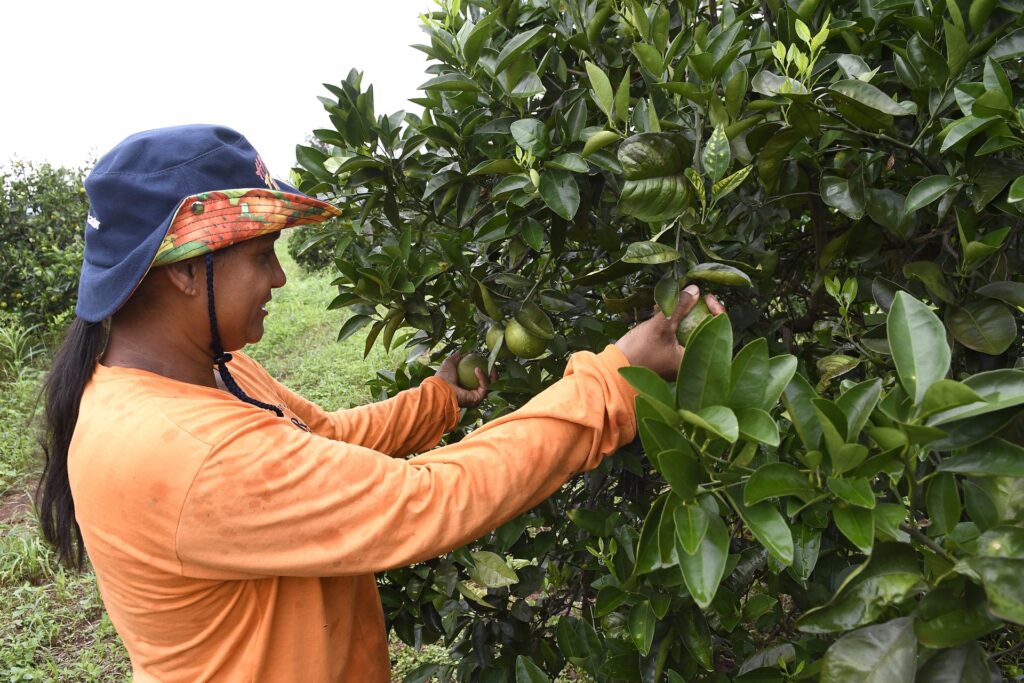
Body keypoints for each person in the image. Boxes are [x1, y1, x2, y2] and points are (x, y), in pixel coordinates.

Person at [36, 124, 725, 682]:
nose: (278, 276)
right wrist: (615, 377)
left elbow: (326, 436)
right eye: (263, 254)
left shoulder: (199, 372)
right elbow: (427, 499)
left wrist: (437, 400)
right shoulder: (190, 453)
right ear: (188, 270)